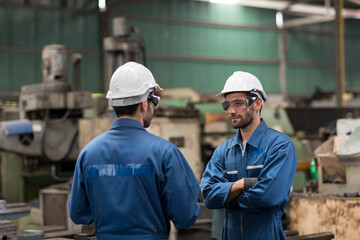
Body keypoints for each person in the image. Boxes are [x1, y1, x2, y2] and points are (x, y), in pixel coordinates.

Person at [68, 61, 200, 240]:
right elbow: (186, 216)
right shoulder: (165, 153)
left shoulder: (88, 154)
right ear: (144, 104)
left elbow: (78, 213)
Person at [200, 71, 297, 240]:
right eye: (227, 105)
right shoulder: (224, 150)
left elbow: (269, 196)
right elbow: (208, 195)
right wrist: (241, 185)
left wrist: (226, 198)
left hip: (266, 234)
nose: (231, 111)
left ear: (257, 103)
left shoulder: (279, 145)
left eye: (238, 103)